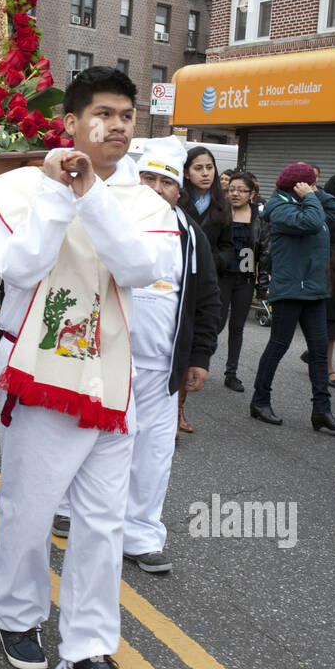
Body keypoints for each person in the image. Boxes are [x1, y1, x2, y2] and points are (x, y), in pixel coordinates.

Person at [0, 67, 177, 669]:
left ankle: (91, 644)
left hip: (114, 381)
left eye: (127, 115)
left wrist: (91, 193)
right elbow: (20, 266)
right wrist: (59, 194)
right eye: (104, 114)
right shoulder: (15, 189)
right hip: (43, 375)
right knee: (30, 508)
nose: (119, 126)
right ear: (69, 122)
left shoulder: (148, 201)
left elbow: (140, 266)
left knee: (103, 521)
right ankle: (17, 616)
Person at [122, 138, 220, 572]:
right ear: (135, 179)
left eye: (167, 182)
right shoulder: (113, 220)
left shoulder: (190, 235)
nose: (157, 188)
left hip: (162, 369)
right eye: (149, 178)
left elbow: (208, 299)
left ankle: (141, 536)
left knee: (153, 455)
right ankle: (72, 511)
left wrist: (199, 355)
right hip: (108, 362)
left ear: (179, 190)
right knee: (90, 444)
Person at [249, 162, 335, 433]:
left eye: (316, 182)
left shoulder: (309, 201)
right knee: (278, 346)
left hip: (314, 290)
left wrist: (316, 191)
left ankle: (322, 411)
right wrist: (311, 196)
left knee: (318, 351)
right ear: (297, 186)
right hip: (291, 289)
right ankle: (260, 400)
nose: (315, 187)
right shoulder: (280, 207)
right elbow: (312, 221)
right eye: (310, 182)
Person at [177, 146, 233, 432]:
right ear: (186, 172)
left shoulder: (223, 207)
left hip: (207, 284)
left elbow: (230, 249)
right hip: (177, 280)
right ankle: (172, 411)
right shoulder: (178, 201)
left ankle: (180, 409)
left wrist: (209, 258)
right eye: (198, 168)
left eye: (209, 167)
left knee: (196, 340)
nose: (205, 173)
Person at [302, 173, 335, 390]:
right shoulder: (327, 212)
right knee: (331, 325)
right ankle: (327, 368)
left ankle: (314, 353)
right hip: (328, 272)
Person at [220, 171, 270, 391]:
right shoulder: (219, 214)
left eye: (241, 190)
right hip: (220, 277)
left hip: (245, 279)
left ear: (252, 194)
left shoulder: (259, 219)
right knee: (214, 324)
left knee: (237, 327)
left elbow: (265, 254)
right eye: (232, 189)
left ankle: (231, 373)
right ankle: (196, 366)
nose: (236, 194)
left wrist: (262, 287)